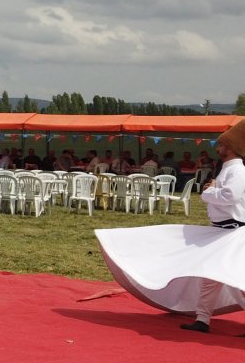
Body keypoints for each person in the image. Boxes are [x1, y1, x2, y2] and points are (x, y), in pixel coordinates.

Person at [96, 121, 245, 335]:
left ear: (230, 147)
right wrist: (212, 190)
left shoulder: (237, 172)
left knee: (229, 279)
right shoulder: (229, 171)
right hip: (222, 231)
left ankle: (203, 319)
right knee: (210, 280)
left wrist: (208, 192)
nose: (217, 148)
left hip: (233, 233)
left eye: (221, 145)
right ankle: (202, 320)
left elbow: (230, 197)